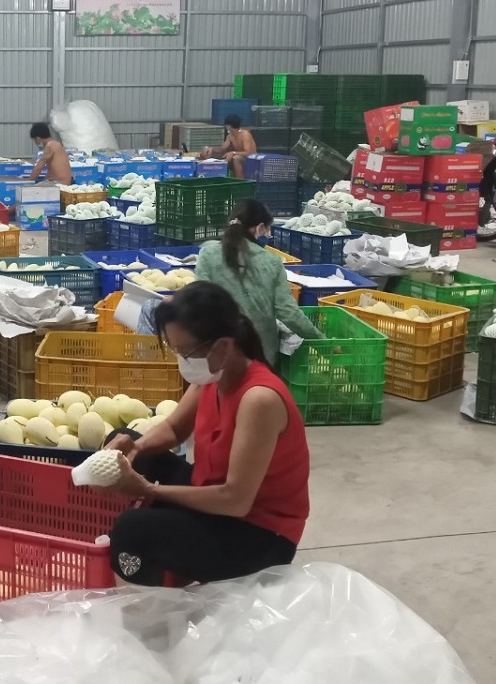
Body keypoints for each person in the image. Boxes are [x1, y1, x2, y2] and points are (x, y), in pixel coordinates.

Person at [91, 282, 310, 587]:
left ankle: (164, 596)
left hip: (257, 534)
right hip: (215, 500)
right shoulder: (214, 374)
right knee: (127, 442)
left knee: (132, 531)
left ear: (222, 347)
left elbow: (236, 500)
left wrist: (149, 490)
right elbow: (174, 428)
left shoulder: (259, 399)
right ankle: (176, 556)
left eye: (186, 353)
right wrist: (135, 448)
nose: (183, 361)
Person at [194, 200, 323, 365]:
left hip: (216, 356)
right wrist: (321, 339)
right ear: (260, 228)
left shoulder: (207, 254)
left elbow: (200, 304)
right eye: (268, 230)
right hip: (260, 357)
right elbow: (288, 312)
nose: (268, 235)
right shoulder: (272, 262)